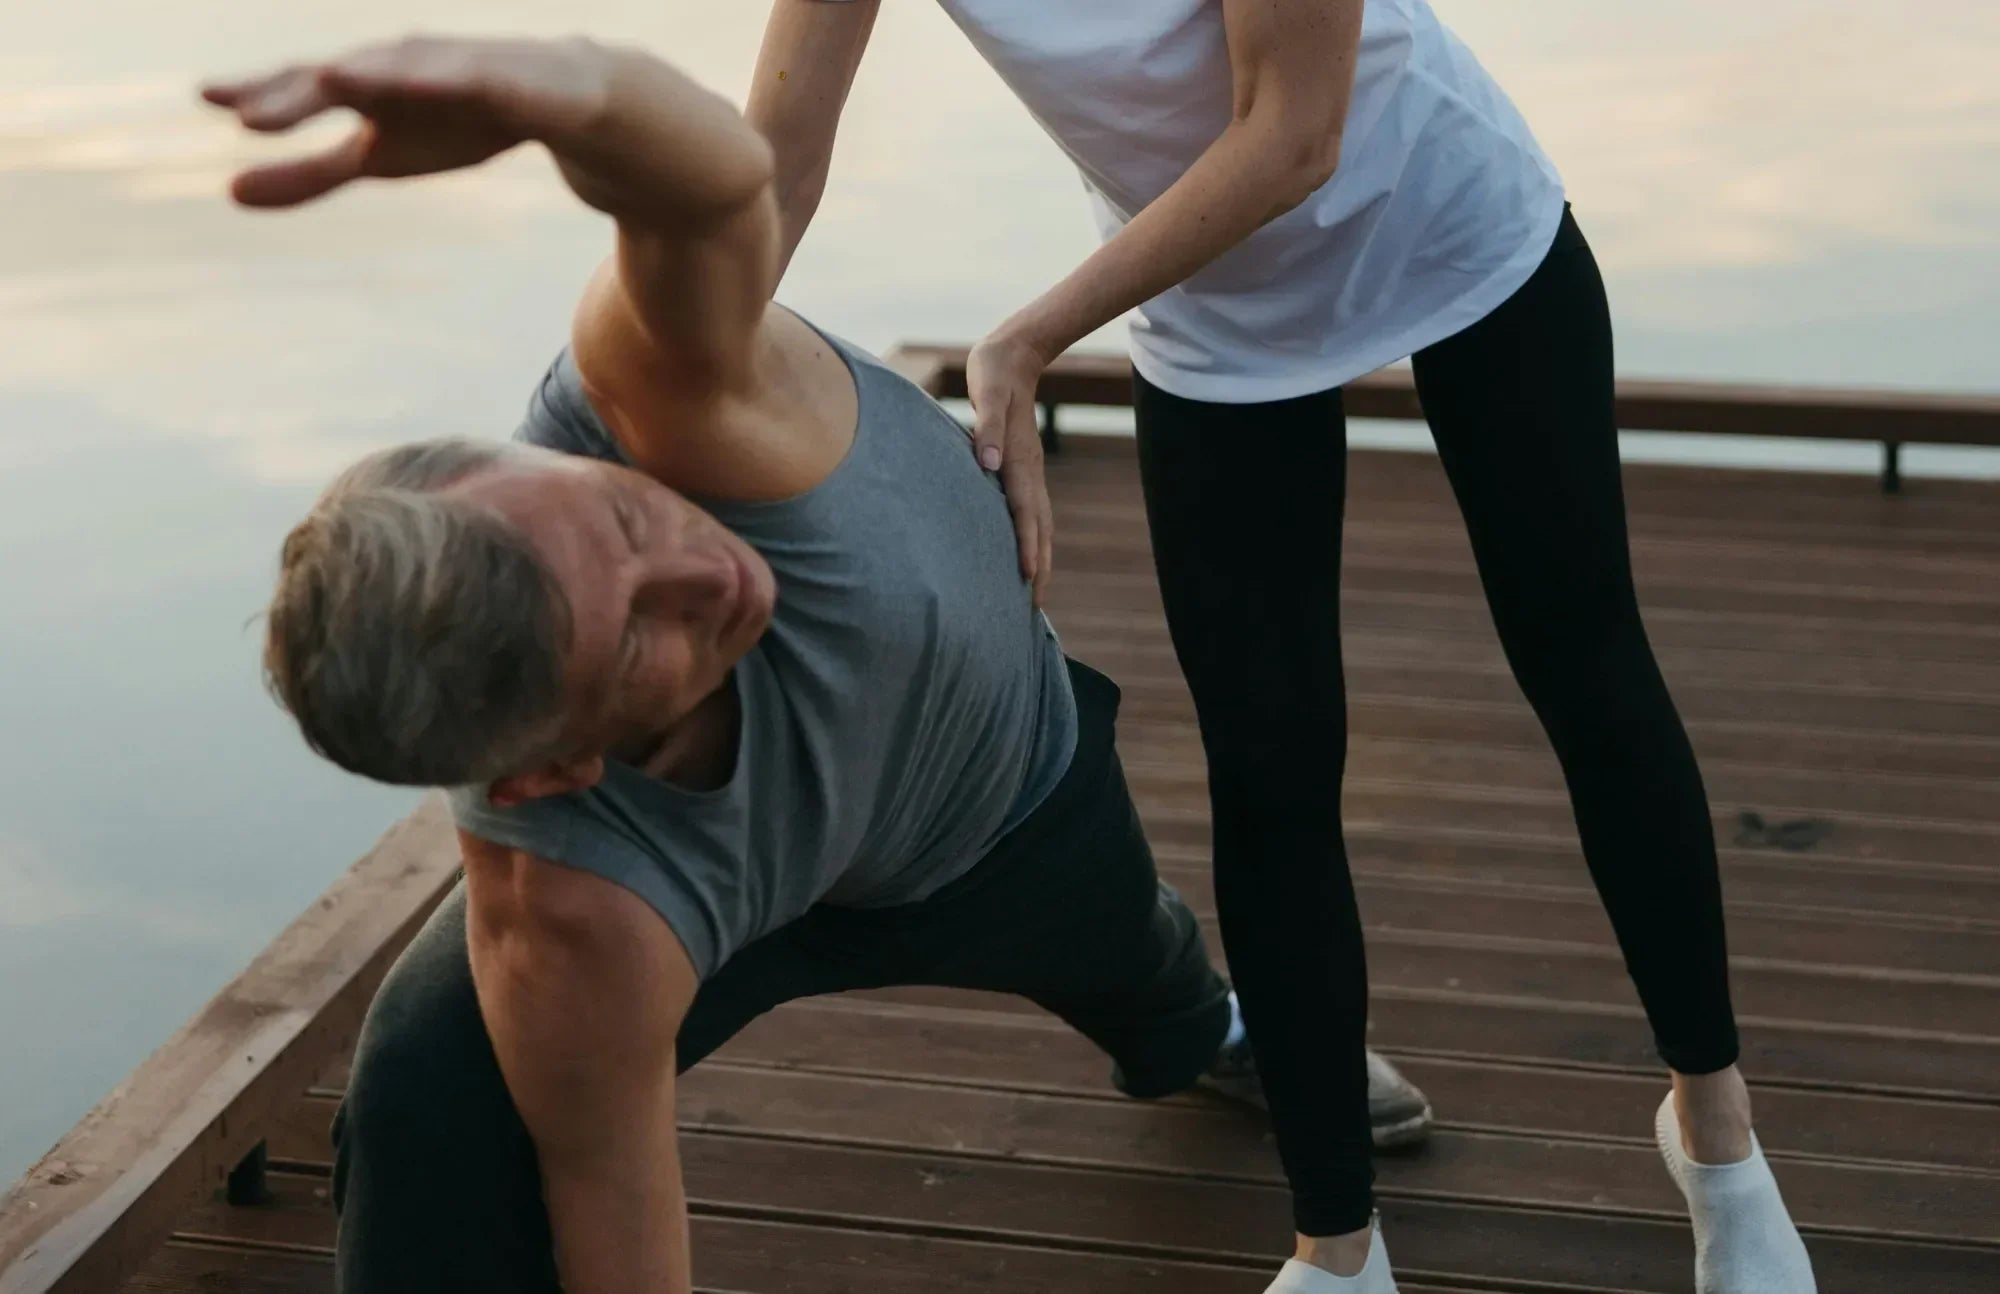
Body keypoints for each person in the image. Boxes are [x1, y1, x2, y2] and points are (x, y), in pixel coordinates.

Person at [204, 31, 1433, 1294]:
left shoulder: (666, 382)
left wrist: (563, 98)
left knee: (1138, 957)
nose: (717, 575)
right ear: (551, 769)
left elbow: (715, 188)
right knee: (427, 1081)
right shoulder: (573, 906)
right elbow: (621, 1225)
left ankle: (1205, 1030)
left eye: (630, 516)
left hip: (1003, 813)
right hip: (735, 897)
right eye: (640, 637)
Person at [751, 2, 1818, 1291]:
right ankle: (1337, 1247)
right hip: (1212, 307)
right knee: (1268, 771)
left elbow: (1293, 135)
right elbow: (772, 175)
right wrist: (618, 410)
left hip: (1445, 224)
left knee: (1585, 669)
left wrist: (1025, 337)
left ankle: (1716, 1139)